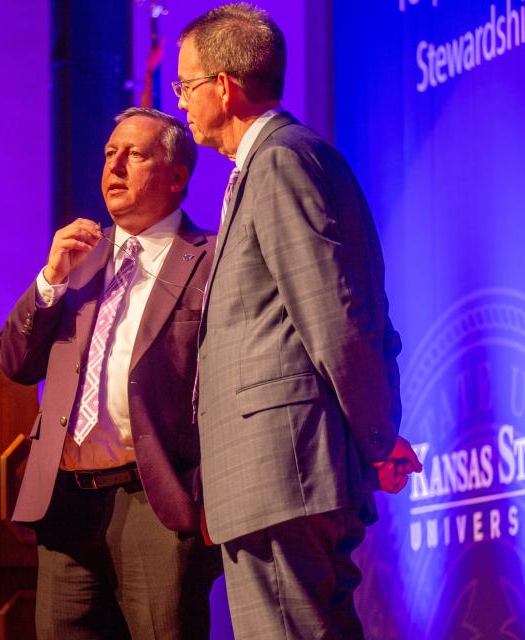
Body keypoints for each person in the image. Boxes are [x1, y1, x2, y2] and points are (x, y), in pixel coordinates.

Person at [175, 4, 422, 638]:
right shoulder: (277, 164)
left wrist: (376, 437)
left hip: (282, 474)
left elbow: (332, 315)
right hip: (275, 478)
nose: (180, 103)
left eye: (185, 85)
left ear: (224, 87)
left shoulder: (281, 161)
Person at [0, 107, 220, 640]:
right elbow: (15, 361)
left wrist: (206, 492)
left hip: (157, 500)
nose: (114, 167)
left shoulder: (212, 259)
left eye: (134, 155)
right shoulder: (79, 261)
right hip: (69, 503)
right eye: (108, 154)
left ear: (176, 176)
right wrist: (50, 280)